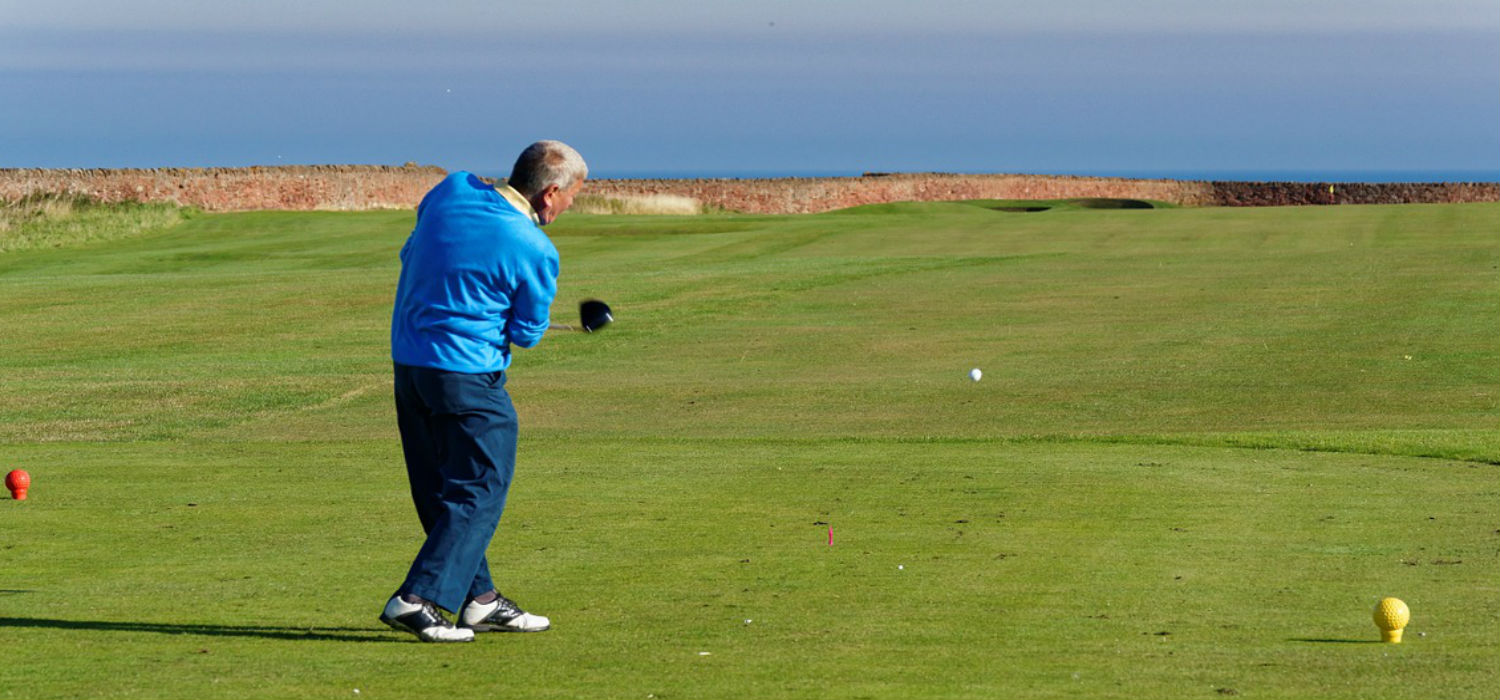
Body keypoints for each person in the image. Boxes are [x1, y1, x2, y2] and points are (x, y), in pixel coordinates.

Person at [380, 141, 586, 642]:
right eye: (573, 196)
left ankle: (480, 599)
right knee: (480, 487)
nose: (572, 206)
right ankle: (416, 598)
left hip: (410, 368)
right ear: (550, 193)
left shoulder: (451, 189)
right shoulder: (535, 247)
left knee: (440, 488)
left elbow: (415, 245)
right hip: (467, 379)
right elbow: (527, 333)